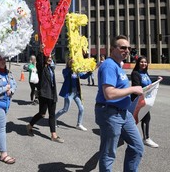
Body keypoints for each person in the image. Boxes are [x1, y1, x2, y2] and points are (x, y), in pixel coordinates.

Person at [95, 35, 144, 171]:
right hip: (110, 112)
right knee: (109, 153)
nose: (127, 50)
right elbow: (109, 94)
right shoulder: (109, 66)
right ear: (112, 49)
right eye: (123, 47)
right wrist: (133, 89)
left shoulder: (117, 66)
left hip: (123, 113)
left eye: (128, 48)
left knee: (137, 147)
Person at [26, 44, 64, 143]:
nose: (50, 58)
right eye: (48, 57)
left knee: (52, 115)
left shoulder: (51, 69)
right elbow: (40, 60)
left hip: (52, 94)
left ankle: (53, 135)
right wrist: (41, 50)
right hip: (44, 93)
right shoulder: (42, 68)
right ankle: (30, 125)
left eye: (51, 57)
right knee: (42, 114)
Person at [131, 56, 161, 148]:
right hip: (138, 100)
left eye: (145, 62)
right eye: (141, 62)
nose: (143, 64)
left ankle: (145, 138)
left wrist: (156, 80)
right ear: (138, 63)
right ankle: (146, 139)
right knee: (141, 118)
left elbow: (148, 84)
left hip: (145, 100)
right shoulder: (135, 73)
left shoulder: (145, 72)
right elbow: (137, 87)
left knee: (143, 118)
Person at [56, 58, 91, 131]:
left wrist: (89, 72)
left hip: (76, 93)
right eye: (71, 62)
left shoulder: (77, 71)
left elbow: (83, 77)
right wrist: (72, 69)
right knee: (65, 109)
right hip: (69, 93)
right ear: (68, 63)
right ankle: (53, 119)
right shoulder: (66, 71)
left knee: (81, 108)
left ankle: (79, 124)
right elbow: (66, 75)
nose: (73, 63)